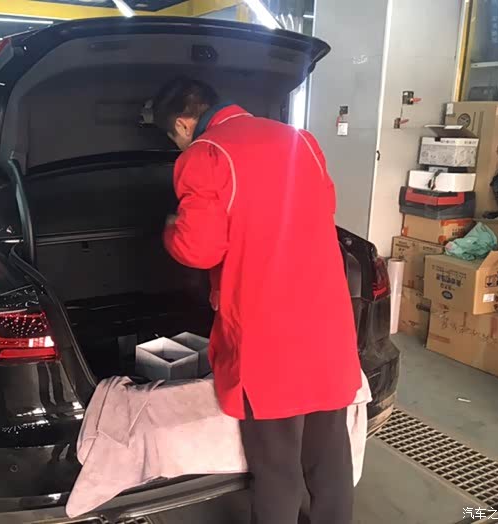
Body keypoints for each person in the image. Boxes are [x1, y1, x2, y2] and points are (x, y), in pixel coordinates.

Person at [152, 77, 362, 524]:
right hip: (326, 323)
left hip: (269, 335)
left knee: (276, 466)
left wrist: (170, 228)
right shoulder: (301, 141)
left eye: (174, 137)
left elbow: (198, 250)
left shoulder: (204, 155)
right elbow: (323, 207)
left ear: (184, 124)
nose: (178, 144)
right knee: (329, 454)